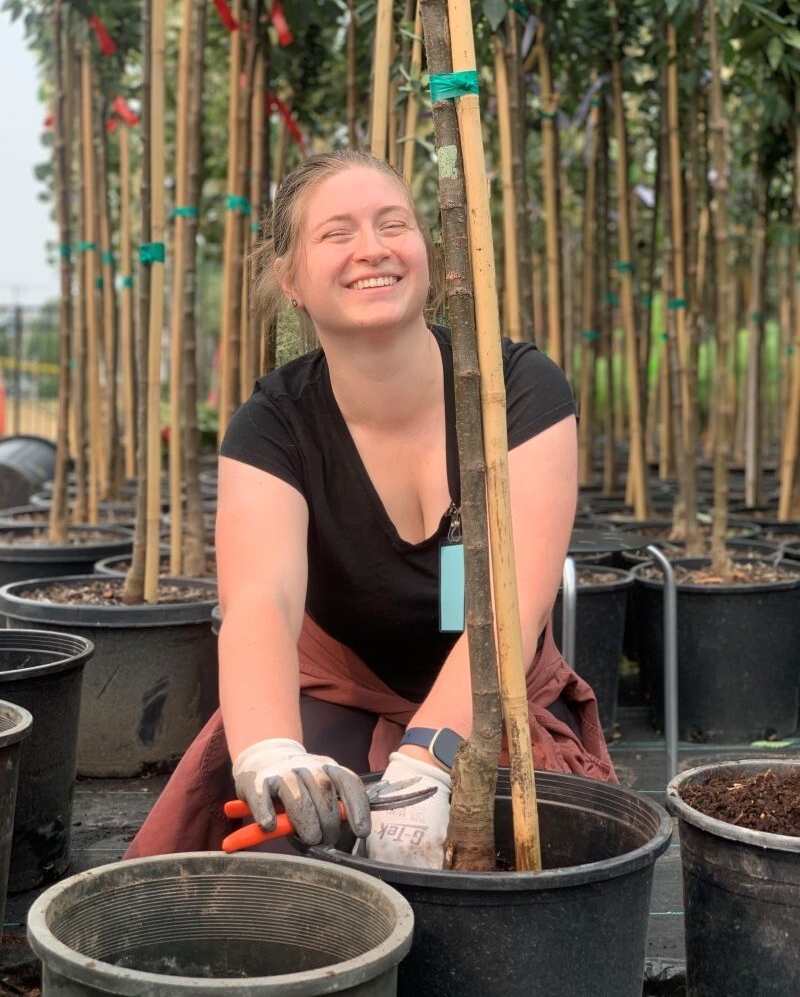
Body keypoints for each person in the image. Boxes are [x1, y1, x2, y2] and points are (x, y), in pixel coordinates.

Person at [125, 149, 615, 870]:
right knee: (293, 851)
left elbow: (516, 601)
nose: (372, 249)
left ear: (427, 252)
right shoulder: (272, 427)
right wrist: (269, 751)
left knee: (519, 868)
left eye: (394, 224)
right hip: (341, 685)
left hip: (495, 689)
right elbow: (261, 603)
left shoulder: (516, 389)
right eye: (337, 233)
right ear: (291, 280)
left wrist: (429, 754)